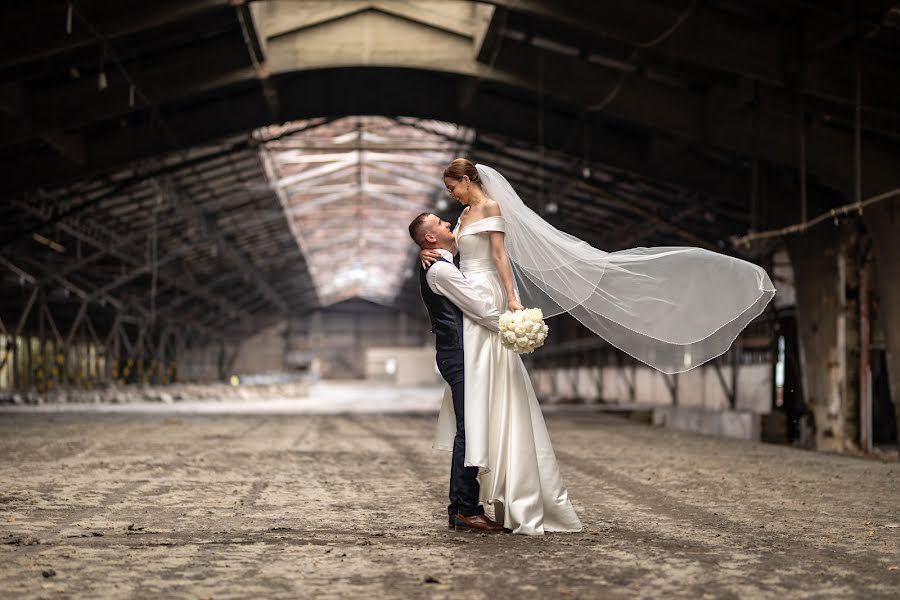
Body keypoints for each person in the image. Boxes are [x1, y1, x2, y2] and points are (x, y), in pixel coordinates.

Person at [415, 161, 585, 536]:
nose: (450, 196)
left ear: (466, 179)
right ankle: (465, 506)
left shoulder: (491, 208)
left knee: (483, 409)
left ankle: (467, 504)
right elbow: (446, 251)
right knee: (474, 416)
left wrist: (511, 301)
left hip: (486, 292)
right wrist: (427, 255)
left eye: (451, 187)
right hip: (469, 298)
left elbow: (499, 256)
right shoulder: (458, 221)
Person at [408, 212, 505, 533]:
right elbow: (478, 307)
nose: (448, 223)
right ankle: (466, 508)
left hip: (461, 353)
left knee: (469, 425)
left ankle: (460, 508)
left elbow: (464, 232)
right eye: (440, 223)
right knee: (470, 427)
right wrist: (516, 324)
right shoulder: (440, 270)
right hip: (460, 354)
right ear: (431, 238)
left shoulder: (438, 263)